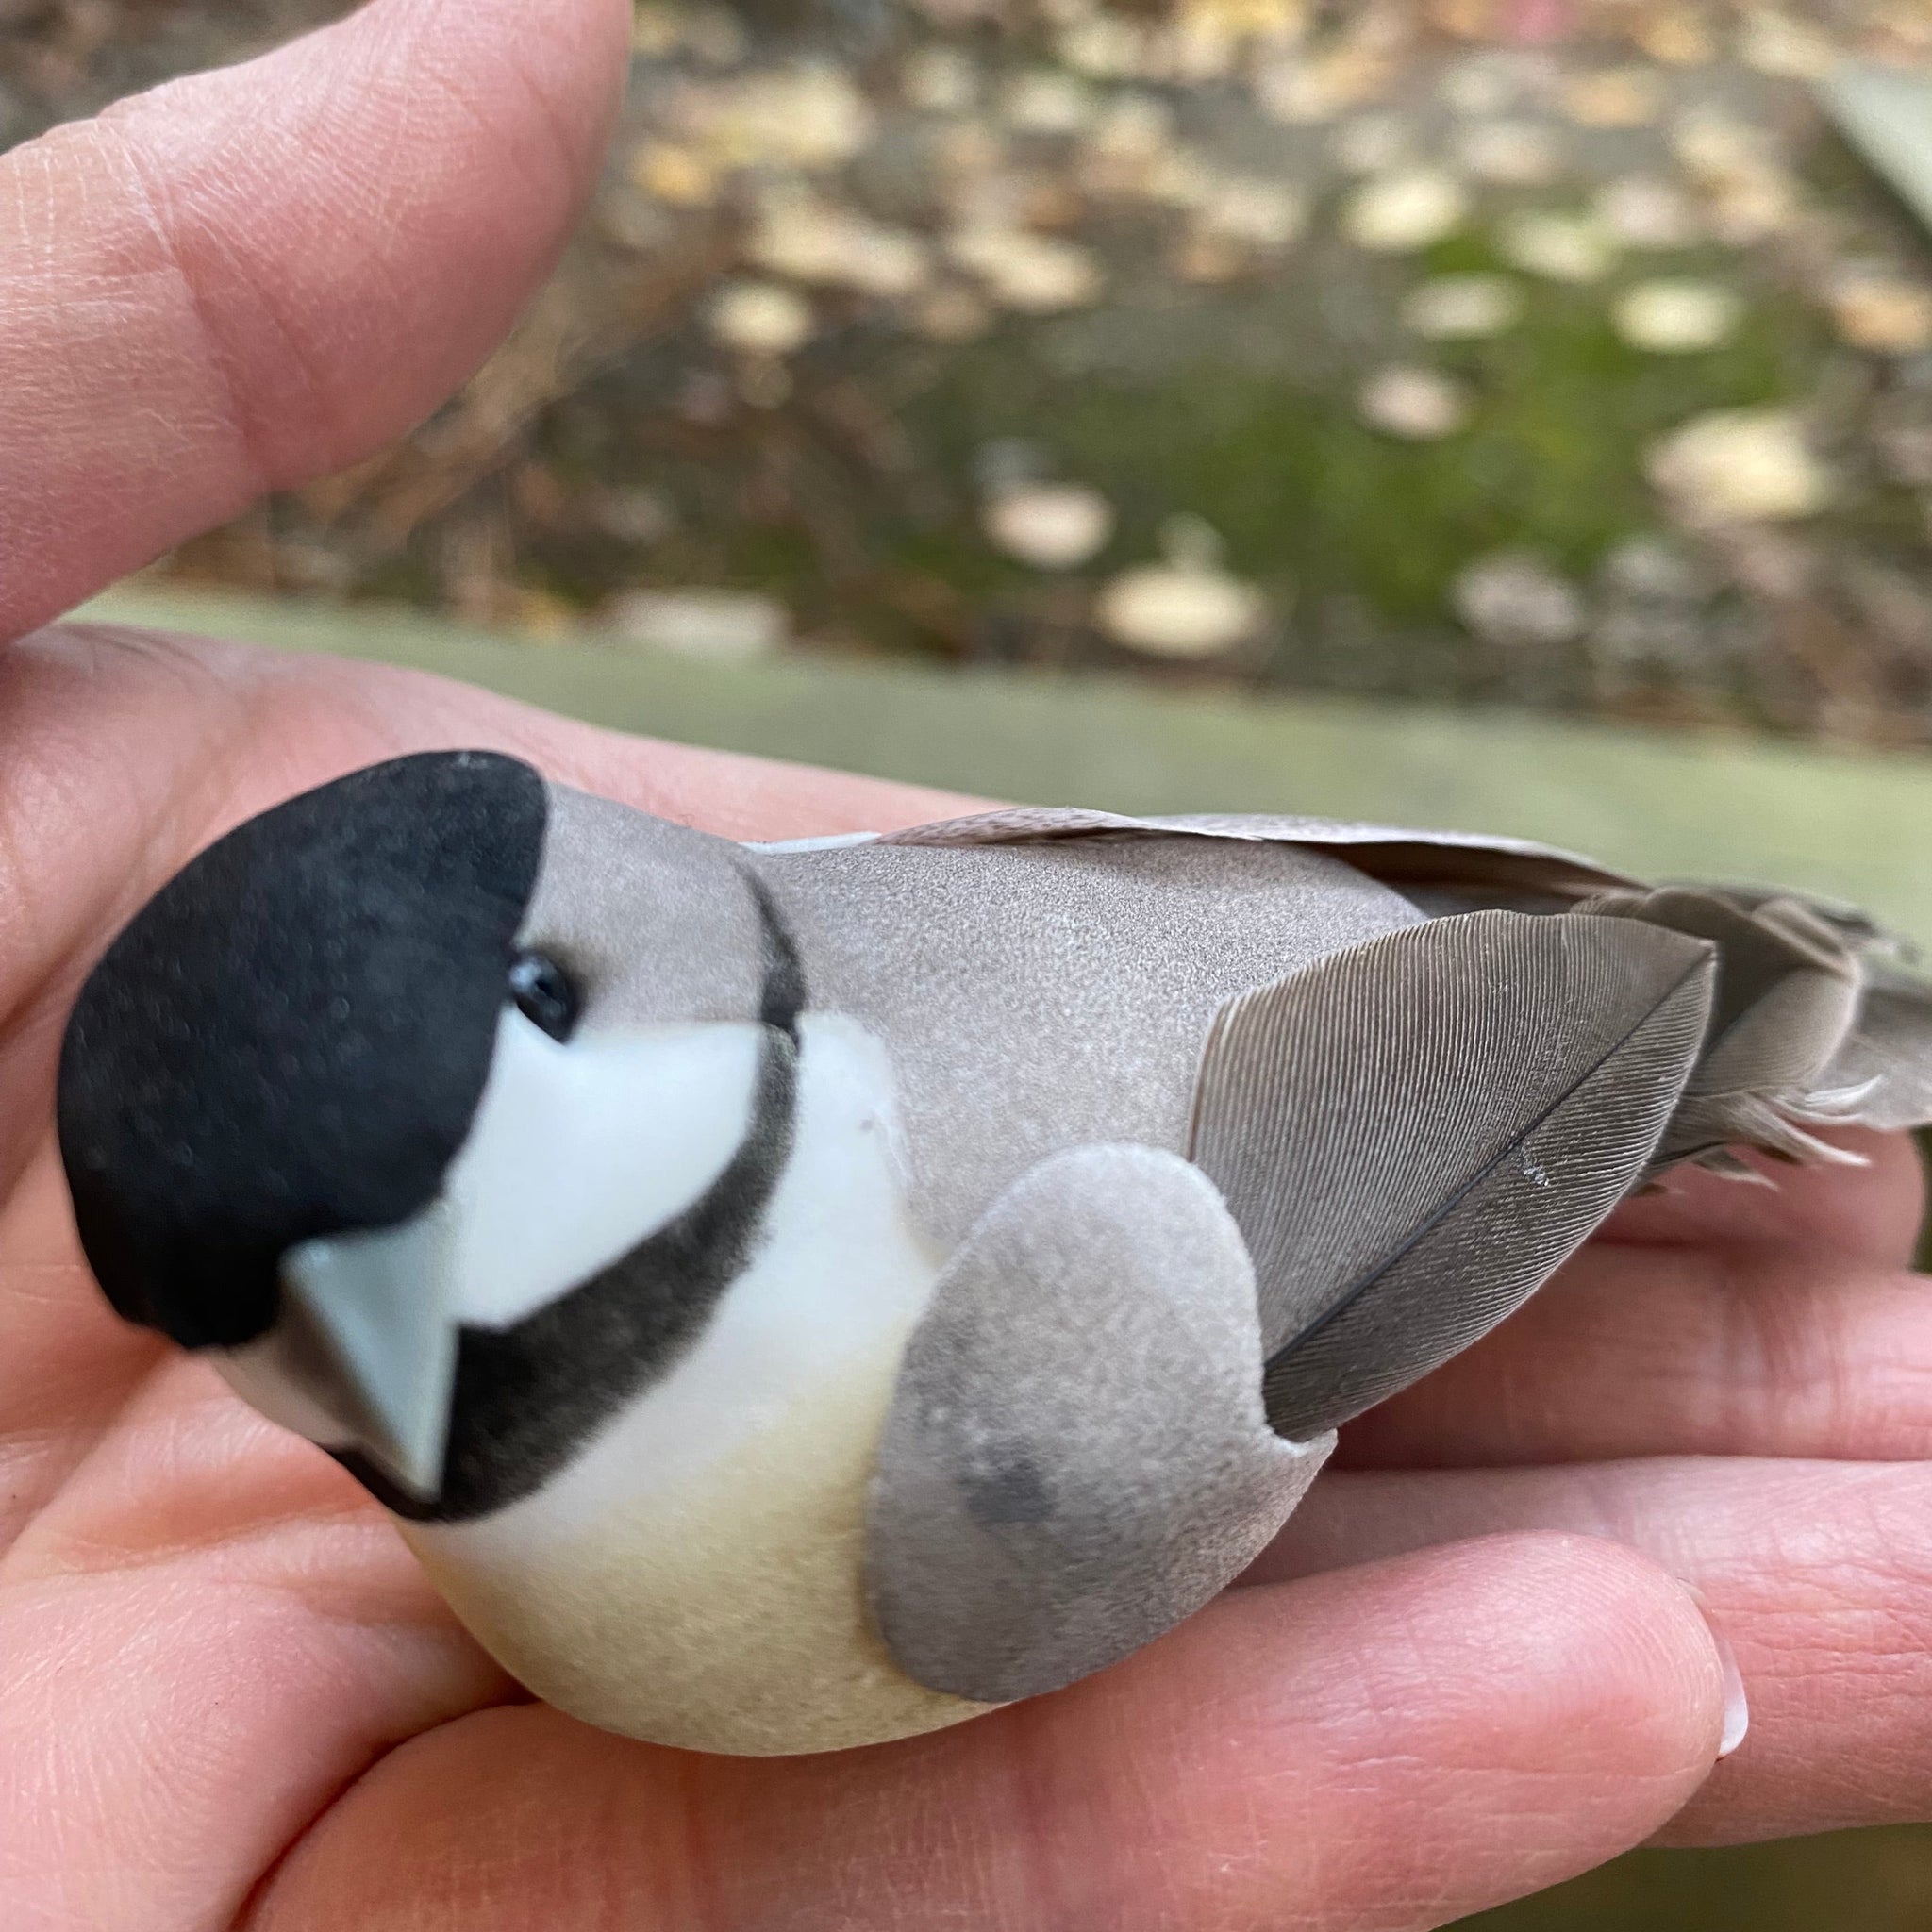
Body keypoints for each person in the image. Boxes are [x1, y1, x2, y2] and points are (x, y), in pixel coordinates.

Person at [3, 3, 1929, 1924]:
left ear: (585, 964)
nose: (385, 1331)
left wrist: (1689, 1007)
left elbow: (1378, 1098)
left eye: (531, 1024)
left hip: (1381, 1109)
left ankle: (1805, 1013)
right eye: (260, 1323)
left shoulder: (967, 1446)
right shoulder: (712, 1159)